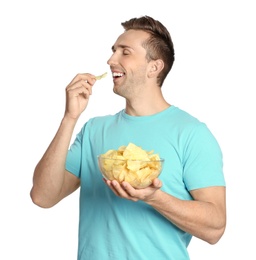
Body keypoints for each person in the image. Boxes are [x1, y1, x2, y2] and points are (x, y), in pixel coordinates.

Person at [30, 15, 226, 259]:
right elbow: (42, 196)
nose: (111, 59)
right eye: (114, 51)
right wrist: (70, 118)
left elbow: (215, 228)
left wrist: (155, 197)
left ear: (154, 67)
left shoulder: (192, 133)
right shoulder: (94, 129)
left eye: (125, 52)